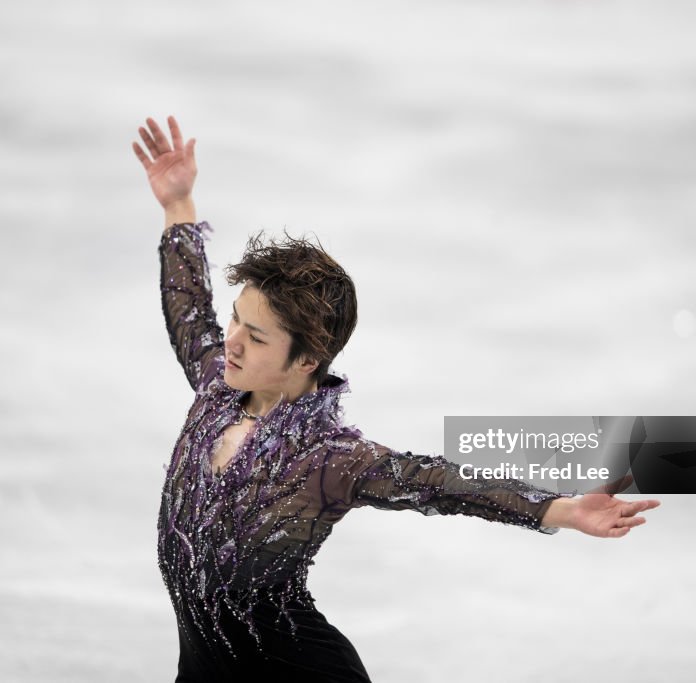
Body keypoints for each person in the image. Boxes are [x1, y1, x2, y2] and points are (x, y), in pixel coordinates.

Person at [132, 115, 661, 682]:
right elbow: (187, 303)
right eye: (236, 320)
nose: (230, 342)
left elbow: (440, 483)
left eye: (255, 337)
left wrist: (563, 510)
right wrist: (178, 205)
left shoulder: (328, 458)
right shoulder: (219, 385)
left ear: (307, 360)